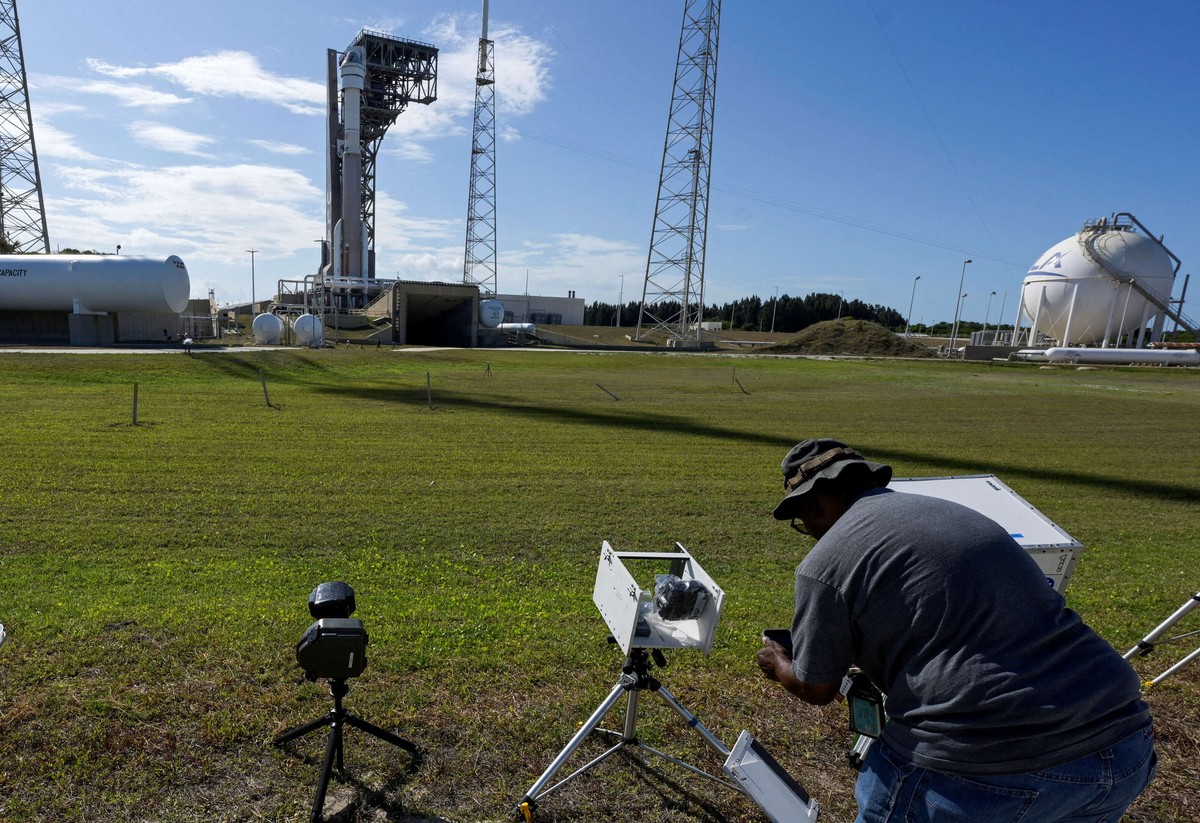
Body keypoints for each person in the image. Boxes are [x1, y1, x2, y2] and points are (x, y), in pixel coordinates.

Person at [756, 438, 1155, 823]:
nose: (807, 530)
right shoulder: (959, 515)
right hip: (1121, 741)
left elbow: (816, 689)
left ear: (814, 502)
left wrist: (778, 661)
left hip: (980, 766)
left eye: (801, 521)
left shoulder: (823, 564)